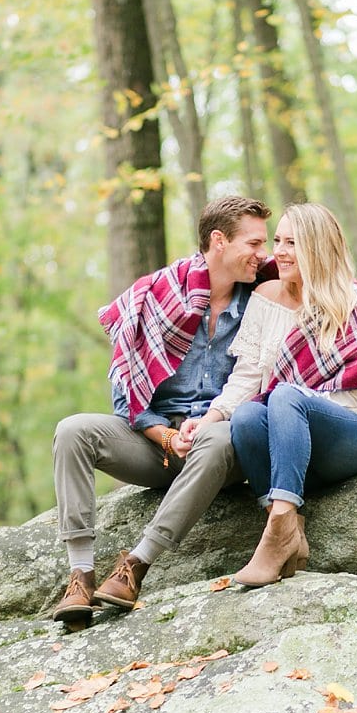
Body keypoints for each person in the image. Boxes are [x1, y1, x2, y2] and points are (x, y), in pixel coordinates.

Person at [52, 195, 273, 629]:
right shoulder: (155, 295)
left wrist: (206, 426)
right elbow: (126, 396)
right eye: (254, 243)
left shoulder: (262, 299)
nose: (262, 254)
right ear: (218, 241)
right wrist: (166, 437)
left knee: (217, 436)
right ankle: (80, 574)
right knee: (72, 430)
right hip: (158, 444)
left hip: (222, 444)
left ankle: (135, 566)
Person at [182, 202, 357, 588]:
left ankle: (275, 535)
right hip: (290, 449)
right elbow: (247, 377)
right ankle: (290, 529)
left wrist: (294, 406)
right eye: (278, 241)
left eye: (292, 243)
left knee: (284, 396)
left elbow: (354, 397)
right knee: (248, 416)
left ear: (317, 248)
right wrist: (211, 418)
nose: (278, 251)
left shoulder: (349, 300)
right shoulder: (264, 299)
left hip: (348, 438)